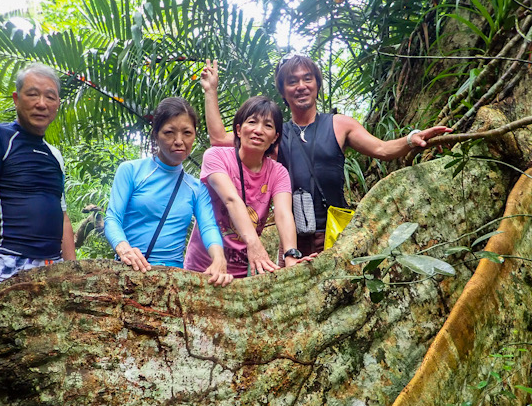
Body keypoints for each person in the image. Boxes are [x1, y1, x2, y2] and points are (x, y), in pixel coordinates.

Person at [203, 56, 453, 255]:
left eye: (307, 79)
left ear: (317, 85)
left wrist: (412, 139)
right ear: (283, 91)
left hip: (337, 230)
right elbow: (218, 138)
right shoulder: (275, 134)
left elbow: (382, 149)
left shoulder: (340, 125)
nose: (301, 86)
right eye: (292, 81)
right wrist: (211, 90)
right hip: (295, 237)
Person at [0, 63, 76, 319]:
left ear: (58, 103)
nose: (41, 103)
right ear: (16, 98)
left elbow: (63, 216)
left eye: (50, 96)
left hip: (51, 266)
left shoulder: (54, 155)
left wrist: (73, 272)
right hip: (7, 264)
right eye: (32, 94)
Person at [104, 97, 232, 287]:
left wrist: (219, 258)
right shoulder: (131, 170)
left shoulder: (196, 188)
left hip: (172, 279)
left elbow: (208, 227)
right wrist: (124, 249)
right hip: (129, 270)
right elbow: (112, 219)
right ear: (156, 134)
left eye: (187, 133)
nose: (179, 141)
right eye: (169, 133)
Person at [183, 96, 302, 278]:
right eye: (252, 122)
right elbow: (231, 200)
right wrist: (254, 245)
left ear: (275, 137)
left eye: (268, 126)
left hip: (244, 272)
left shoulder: (279, 173)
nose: (258, 130)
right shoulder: (216, 157)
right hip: (203, 267)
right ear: (238, 129)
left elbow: (284, 214)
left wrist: (291, 255)